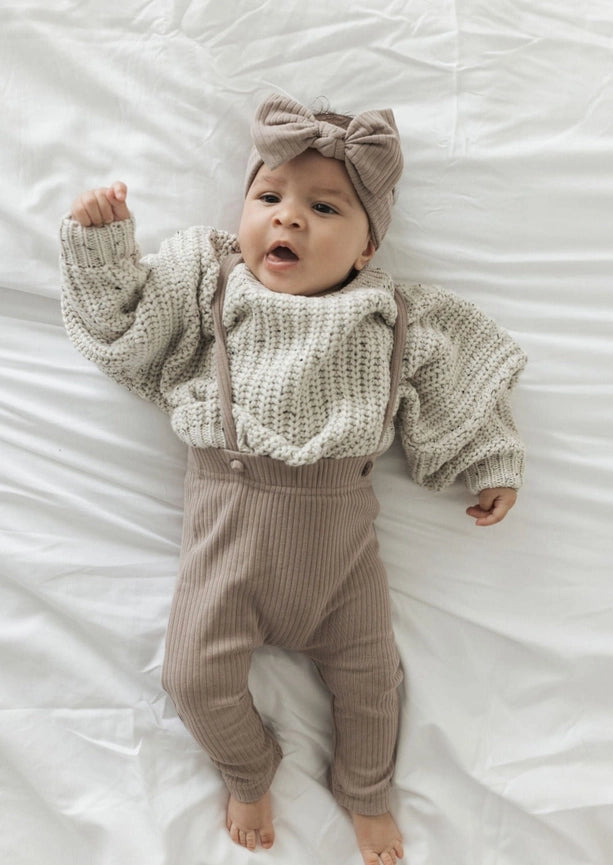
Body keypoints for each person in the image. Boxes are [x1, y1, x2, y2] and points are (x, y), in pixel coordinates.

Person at [60, 93, 526, 865]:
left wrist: (490, 459)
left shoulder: (392, 316)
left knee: (374, 686)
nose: (288, 218)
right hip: (226, 553)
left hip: (342, 568)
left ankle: (366, 790)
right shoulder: (209, 284)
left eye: (323, 207)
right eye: (269, 197)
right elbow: (125, 327)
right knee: (190, 678)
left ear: (366, 248)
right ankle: (248, 769)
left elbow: (461, 387)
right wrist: (104, 242)